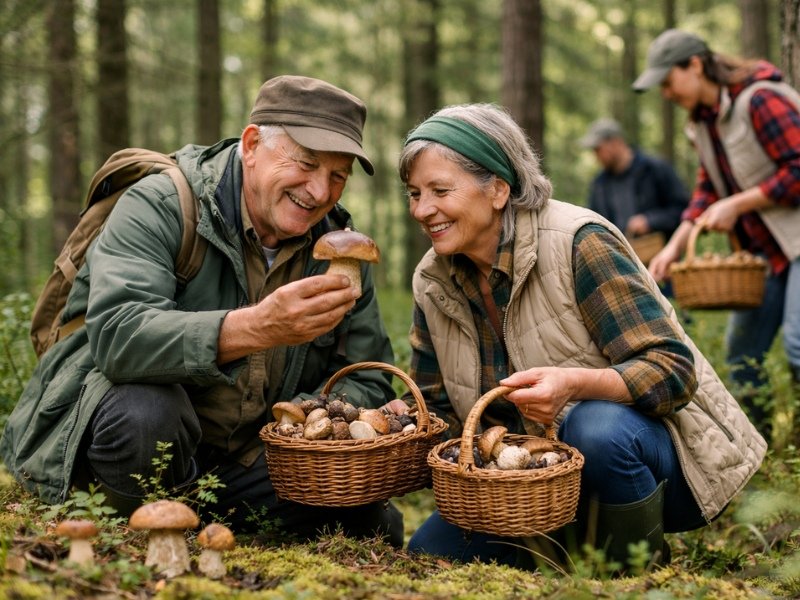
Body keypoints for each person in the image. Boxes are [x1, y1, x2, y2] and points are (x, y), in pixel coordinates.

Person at [0, 75, 403, 545]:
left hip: (245, 459)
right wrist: (259, 326)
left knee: (371, 522)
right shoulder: (161, 204)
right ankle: (122, 527)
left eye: (338, 176)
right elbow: (119, 336)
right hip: (138, 442)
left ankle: (206, 525)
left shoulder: (339, 249)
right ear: (252, 145)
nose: (319, 192)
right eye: (306, 164)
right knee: (147, 413)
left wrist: (307, 418)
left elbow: (367, 373)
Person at [397, 103, 766, 569]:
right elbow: (443, 413)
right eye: (413, 193)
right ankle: (566, 547)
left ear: (497, 189)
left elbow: (671, 372)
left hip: (653, 466)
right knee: (430, 555)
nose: (422, 210)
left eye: (440, 190)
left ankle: (633, 572)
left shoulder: (577, 242)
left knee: (595, 426)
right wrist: (400, 424)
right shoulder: (433, 279)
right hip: (528, 487)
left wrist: (574, 384)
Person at [634, 29, 800, 441]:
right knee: (742, 354)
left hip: (797, 243)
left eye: (668, 81)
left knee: (798, 345)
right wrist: (674, 247)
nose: (666, 93)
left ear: (695, 65)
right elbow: (707, 192)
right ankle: (760, 450)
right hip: (765, 254)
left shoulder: (760, 100)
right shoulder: (703, 125)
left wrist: (738, 204)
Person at [580, 117, 689, 255]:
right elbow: (593, 225)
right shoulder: (599, 185)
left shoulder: (655, 169)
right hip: (619, 264)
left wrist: (650, 221)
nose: (596, 155)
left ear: (615, 142)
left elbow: (684, 210)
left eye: (598, 149)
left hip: (661, 261)